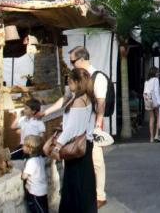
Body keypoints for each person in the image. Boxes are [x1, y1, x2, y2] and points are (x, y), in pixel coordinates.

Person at [39, 46, 109, 208]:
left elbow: (73, 126)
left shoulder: (88, 88)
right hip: (85, 140)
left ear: (82, 59)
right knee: (85, 180)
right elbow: (66, 99)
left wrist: (58, 146)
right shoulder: (83, 93)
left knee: (80, 180)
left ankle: (98, 197)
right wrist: (46, 112)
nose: (70, 64)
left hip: (81, 140)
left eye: (72, 61)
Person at [50, 68, 97, 213]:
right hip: (86, 145)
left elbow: (70, 129)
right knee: (85, 186)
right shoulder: (89, 98)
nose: (68, 85)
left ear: (77, 82)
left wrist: (57, 146)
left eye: (69, 82)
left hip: (76, 147)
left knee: (74, 188)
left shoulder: (78, 102)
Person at [22, 134, 48, 213]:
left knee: (38, 210)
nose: (22, 147)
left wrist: (22, 173)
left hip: (35, 192)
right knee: (43, 208)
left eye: (24, 145)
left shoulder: (31, 162)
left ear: (30, 149)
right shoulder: (40, 158)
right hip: (43, 190)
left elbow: (24, 176)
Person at [143, 66, 160, 143]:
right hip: (154, 99)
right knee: (158, 117)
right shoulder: (156, 79)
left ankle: (151, 138)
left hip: (147, 98)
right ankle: (156, 135)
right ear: (154, 73)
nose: (158, 73)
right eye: (157, 72)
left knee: (151, 118)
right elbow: (156, 91)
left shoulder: (146, 81)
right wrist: (159, 102)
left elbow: (145, 91)